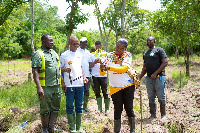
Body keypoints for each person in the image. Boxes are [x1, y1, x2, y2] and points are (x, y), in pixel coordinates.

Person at [100, 38, 136, 133]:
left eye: (121, 48)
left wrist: (109, 67)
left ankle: (132, 130)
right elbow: (102, 73)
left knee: (129, 108)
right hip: (114, 87)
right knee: (117, 109)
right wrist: (102, 68)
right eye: (117, 47)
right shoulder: (109, 56)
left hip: (127, 86)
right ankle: (117, 131)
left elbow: (124, 69)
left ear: (125, 49)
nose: (119, 49)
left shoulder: (127, 55)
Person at [32, 34, 62, 133]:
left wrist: (63, 83)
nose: (52, 42)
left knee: (56, 107)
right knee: (45, 109)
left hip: (56, 86)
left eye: (52, 41)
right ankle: (45, 129)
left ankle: (52, 128)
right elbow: (35, 71)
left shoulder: (54, 53)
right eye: (50, 41)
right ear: (44, 42)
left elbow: (58, 69)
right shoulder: (38, 54)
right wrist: (39, 87)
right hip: (45, 87)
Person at [60, 36, 88, 133]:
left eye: (77, 44)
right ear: (69, 44)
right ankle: (72, 127)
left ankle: (79, 127)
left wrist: (84, 77)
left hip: (80, 84)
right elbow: (59, 69)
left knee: (79, 105)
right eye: (74, 43)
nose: (76, 45)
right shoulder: (64, 55)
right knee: (69, 106)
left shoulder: (79, 54)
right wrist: (63, 81)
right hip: (69, 84)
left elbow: (80, 67)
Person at [138, 36, 168, 119]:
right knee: (150, 97)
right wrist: (140, 77)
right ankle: (153, 115)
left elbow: (165, 63)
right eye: (147, 41)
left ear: (154, 41)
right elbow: (145, 67)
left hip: (159, 77)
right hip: (148, 79)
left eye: (150, 41)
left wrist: (155, 74)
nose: (148, 42)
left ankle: (163, 115)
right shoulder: (146, 53)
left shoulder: (159, 50)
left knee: (160, 96)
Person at [89, 41, 110, 113]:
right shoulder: (92, 55)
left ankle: (107, 108)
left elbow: (108, 64)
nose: (98, 49)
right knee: (97, 91)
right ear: (95, 47)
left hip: (103, 75)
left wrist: (102, 63)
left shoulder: (105, 54)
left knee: (105, 91)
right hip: (95, 76)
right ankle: (99, 108)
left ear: (101, 47)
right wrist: (95, 62)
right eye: (96, 47)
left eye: (99, 47)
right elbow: (90, 66)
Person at [77, 37, 92, 112]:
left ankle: (85, 105)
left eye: (86, 42)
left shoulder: (88, 52)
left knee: (86, 90)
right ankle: (78, 105)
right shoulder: (76, 51)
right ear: (80, 43)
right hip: (78, 74)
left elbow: (89, 64)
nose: (85, 44)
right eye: (83, 42)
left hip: (87, 74)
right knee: (78, 90)